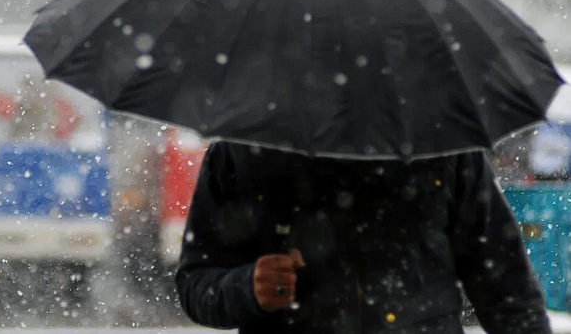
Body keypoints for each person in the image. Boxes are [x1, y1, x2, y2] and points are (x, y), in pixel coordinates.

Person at [175, 142, 551, 334]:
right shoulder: (240, 153)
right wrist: (246, 287)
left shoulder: (442, 148)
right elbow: (196, 280)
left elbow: (507, 286)